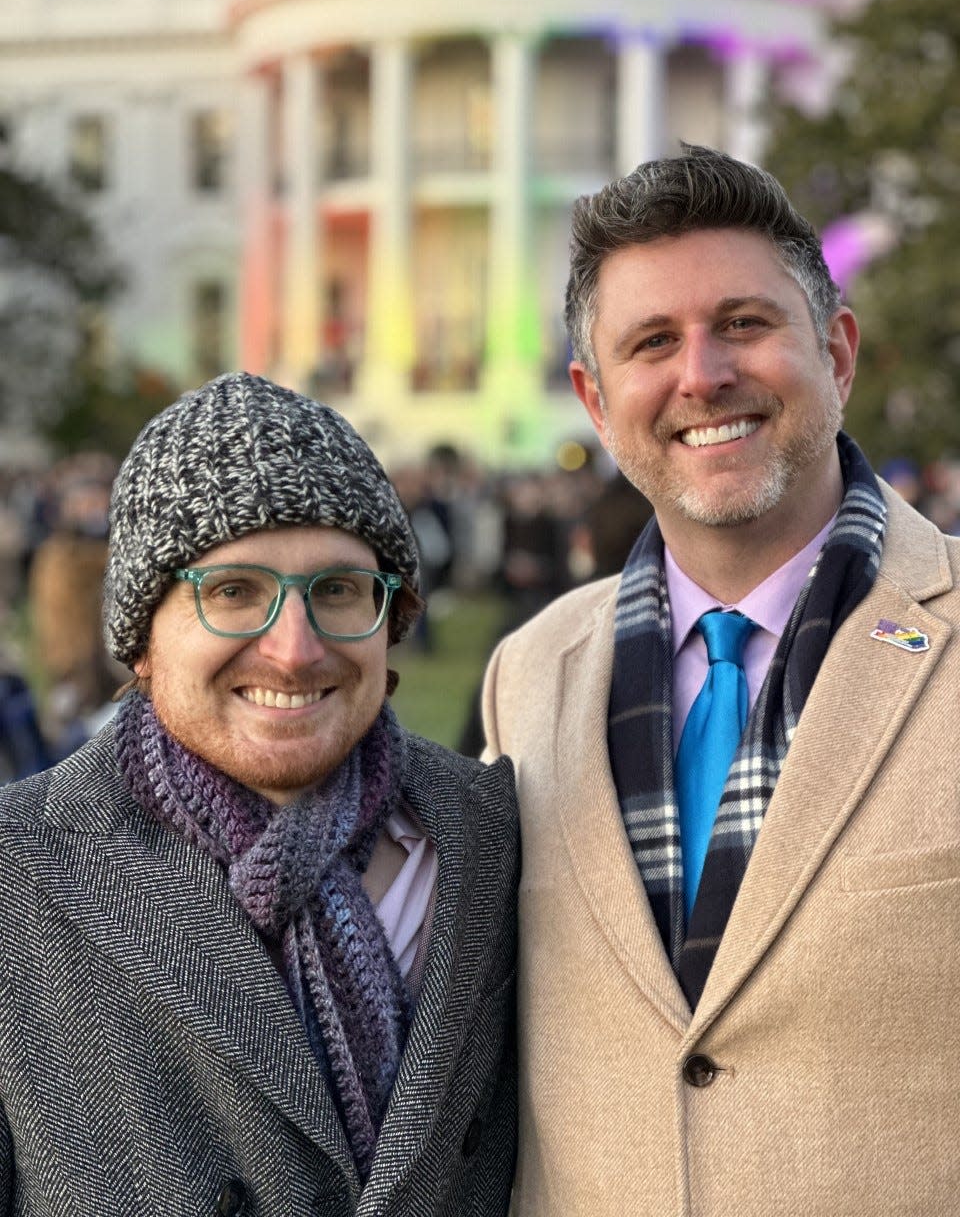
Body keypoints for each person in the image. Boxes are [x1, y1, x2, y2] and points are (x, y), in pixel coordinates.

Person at [481, 144, 960, 1215]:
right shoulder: (529, 673)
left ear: (836, 351)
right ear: (596, 402)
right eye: (652, 342)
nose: (703, 374)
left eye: (743, 323)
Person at [0, 373, 518, 1216]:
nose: (294, 650)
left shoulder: (492, 832)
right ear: (142, 639)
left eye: (338, 591)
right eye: (233, 592)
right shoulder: (21, 869)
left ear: (392, 619)